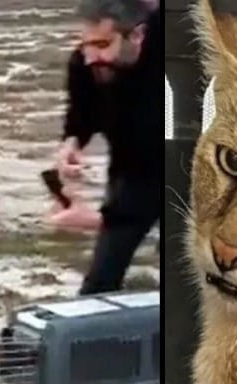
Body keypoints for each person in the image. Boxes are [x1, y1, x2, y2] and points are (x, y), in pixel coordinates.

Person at [58, 0, 162, 295]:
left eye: (103, 44)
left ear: (137, 36)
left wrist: (97, 219)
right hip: (130, 175)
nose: (92, 57)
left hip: (183, 170)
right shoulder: (85, 64)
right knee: (98, 285)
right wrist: (72, 145)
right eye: (86, 44)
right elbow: (80, 116)